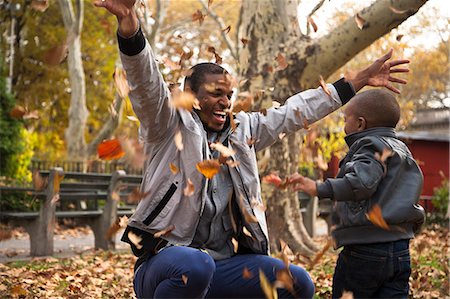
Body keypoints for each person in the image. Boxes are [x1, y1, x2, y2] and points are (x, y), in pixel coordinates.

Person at [95, 1, 411, 298]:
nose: (225, 101)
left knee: (298, 282)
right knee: (195, 266)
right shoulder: (166, 125)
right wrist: (129, 24)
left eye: (229, 94)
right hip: (165, 265)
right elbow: (146, 84)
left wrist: (353, 82)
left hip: (224, 267)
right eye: (216, 93)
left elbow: (295, 111)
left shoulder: (243, 130)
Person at [290, 89, 425, 298]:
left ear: (360, 124)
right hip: (400, 250)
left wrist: (319, 188)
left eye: (346, 119)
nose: (344, 126)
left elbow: (360, 184)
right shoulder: (402, 150)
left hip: (365, 250)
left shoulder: (369, 146)